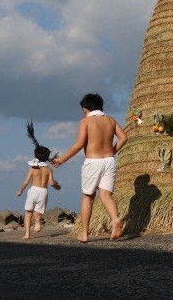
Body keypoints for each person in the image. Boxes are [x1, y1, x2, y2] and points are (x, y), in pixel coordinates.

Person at [53, 93, 128, 242]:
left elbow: (79, 144)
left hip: (93, 162)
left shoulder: (86, 121)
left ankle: (85, 234)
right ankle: (115, 220)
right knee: (106, 195)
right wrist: (112, 151)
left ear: (85, 109)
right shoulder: (110, 120)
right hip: (109, 161)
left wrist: (62, 159)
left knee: (88, 197)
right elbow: (124, 138)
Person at [17, 122, 61, 239]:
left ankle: (27, 234)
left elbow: (26, 181)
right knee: (38, 213)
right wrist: (57, 185)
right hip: (43, 192)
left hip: (33, 191)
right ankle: (38, 221)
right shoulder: (48, 170)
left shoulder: (33, 168)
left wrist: (20, 191)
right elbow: (51, 183)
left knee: (28, 213)